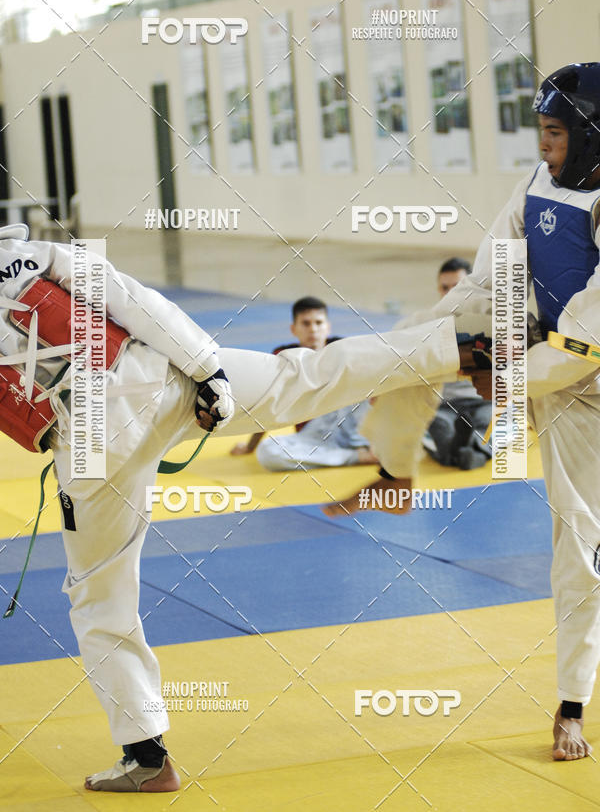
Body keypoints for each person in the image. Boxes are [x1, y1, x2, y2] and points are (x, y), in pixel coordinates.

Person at [0, 224, 478, 791]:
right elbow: (137, 303)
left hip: (90, 443)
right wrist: (209, 373)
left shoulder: (29, 252)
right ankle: (461, 347)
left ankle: (146, 756)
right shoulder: (28, 254)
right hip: (156, 379)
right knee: (303, 375)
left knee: (98, 594)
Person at [333, 62, 600, 763]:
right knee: (413, 339)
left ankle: (571, 703)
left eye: (554, 134)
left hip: (587, 381)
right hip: (538, 335)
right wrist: (470, 337)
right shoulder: (538, 182)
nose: (543, 147)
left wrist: (505, 375)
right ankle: (393, 469)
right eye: (541, 132)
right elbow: (495, 272)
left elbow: (579, 346)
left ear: (591, 135)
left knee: (578, 542)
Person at [231, 296, 377, 470]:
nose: (313, 330)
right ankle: (357, 456)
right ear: (294, 329)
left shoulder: (342, 349)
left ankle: (371, 444)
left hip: (350, 423)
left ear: (327, 327)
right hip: (313, 433)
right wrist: (250, 447)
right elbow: (268, 404)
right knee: (268, 452)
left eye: (318, 323)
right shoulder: (284, 357)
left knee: (372, 375)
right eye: (306, 324)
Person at [424, 259, 493, 470]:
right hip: (445, 405)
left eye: (457, 287)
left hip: (484, 402)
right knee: (432, 424)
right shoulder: (426, 327)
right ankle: (471, 454)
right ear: (438, 289)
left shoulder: (490, 324)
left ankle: (457, 450)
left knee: (496, 423)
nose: (450, 293)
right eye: (445, 288)